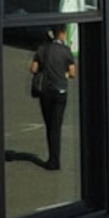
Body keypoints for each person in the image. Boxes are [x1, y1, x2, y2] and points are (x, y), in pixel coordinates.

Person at [29, 26, 74, 172]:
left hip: (46, 91)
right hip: (61, 91)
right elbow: (73, 73)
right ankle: (55, 159)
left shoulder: (42, 49)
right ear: (62, 34)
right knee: (57, 125)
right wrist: (63, 74)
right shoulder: (66, 51)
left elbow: (33, 69)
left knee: (50, 125)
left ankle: (52, 159)